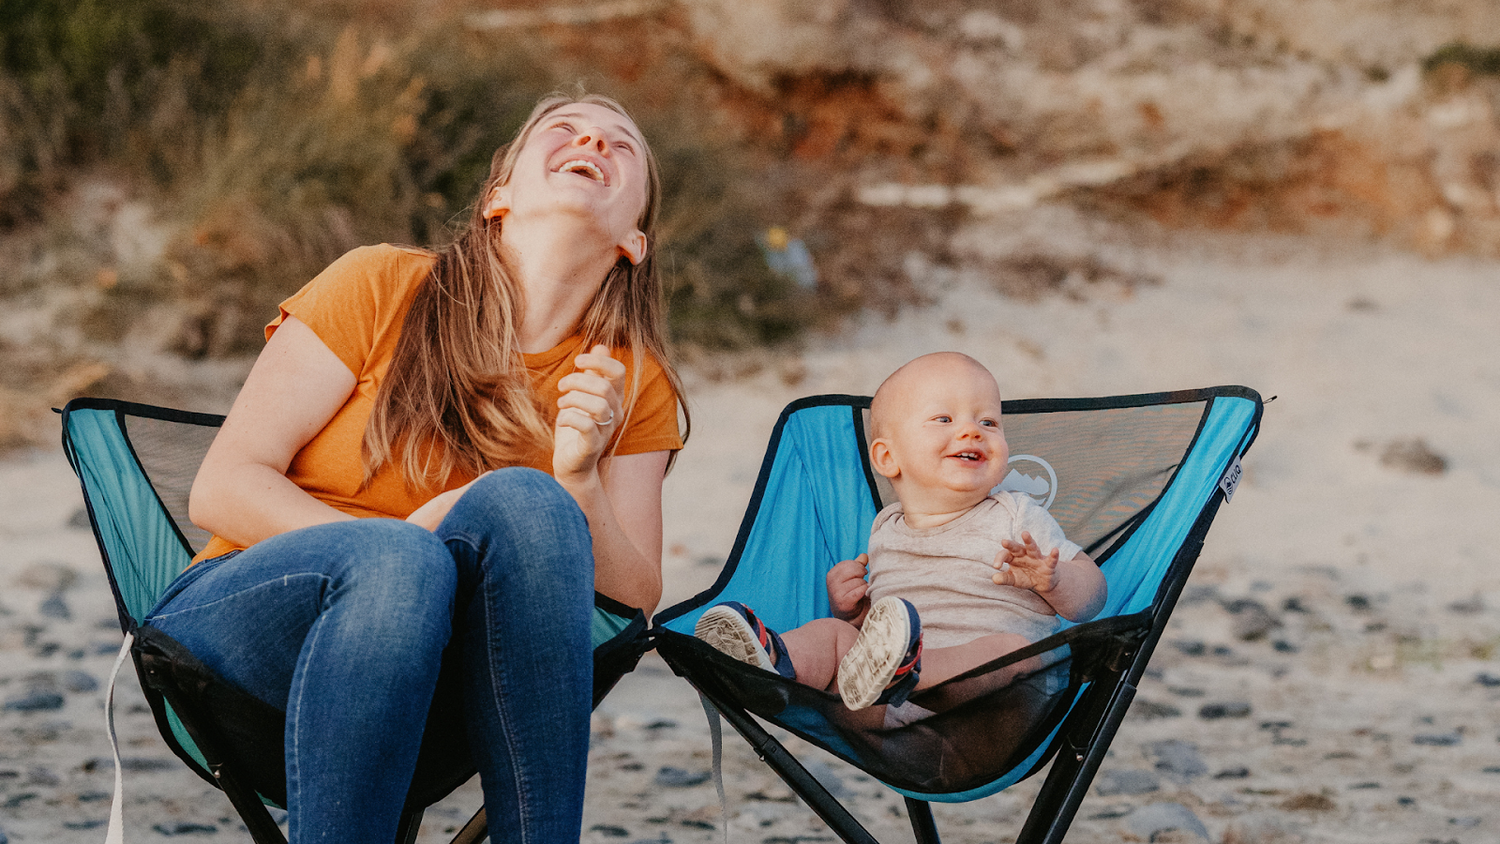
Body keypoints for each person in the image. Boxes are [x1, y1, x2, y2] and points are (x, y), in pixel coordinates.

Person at [143, 93, 687, 843]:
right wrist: (397, 546)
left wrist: (583, 479)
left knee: (530, 500)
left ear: (635, 240)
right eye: (561, 129)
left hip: (442, 690)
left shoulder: (627, 380)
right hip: (246, 641)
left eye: (621, 144)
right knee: (398, 558)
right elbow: (223, 486)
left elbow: (635, 595)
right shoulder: (381, 284)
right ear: (499, 195)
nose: (591, 137)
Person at [695, 352, 1103, 713]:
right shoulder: (884, 531)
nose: (972, 430)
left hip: (995, 708)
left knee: (1013, 653)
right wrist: (854, 613)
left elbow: (1094, 597)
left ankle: (908, 673)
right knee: (834, 636)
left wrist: (1054, 580)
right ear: (888, 457)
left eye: (989, 421)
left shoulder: (1015, 515)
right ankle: (772, 666)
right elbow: (881, 638)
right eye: (944, 419)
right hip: (893, 712)